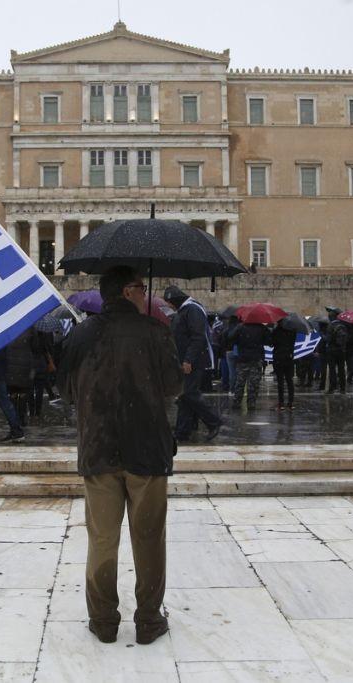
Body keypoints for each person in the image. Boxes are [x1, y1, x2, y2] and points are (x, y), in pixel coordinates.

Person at [57, 266, 183, 646]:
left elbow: (65, 389)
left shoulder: (81, 334)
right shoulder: (155, 332)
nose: (146, 294)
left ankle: (103, 620)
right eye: (142, 288)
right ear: (127, 291)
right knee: (148, 540)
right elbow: (174, 386)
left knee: (101, 539)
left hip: (98, 448)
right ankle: (148, 620)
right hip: (147, 449)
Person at [163, 286, 221, 442]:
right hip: (184, 361)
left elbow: (198, 337)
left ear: (174, 300)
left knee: (189, 393)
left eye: (169, 302)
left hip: (193, 361)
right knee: (184, 396)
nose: (169, 306)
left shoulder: (192, 310)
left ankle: (213, 421)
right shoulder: (183, 311)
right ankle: (183, 432)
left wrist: (188, 360)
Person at [226, 319, 268, 412]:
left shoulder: (240, 327)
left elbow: (230, 337)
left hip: (243, 359)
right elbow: (269, 340)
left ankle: (237, 402)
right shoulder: (262, 328)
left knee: (240, 382)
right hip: (256, 359)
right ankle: (251, 403)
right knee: (253, 383)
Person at [270, 322, 295, 411]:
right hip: (289, 357)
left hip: (278, 358)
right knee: (289, 380)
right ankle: (290, 403)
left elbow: (271, 343)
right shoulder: (292, 331)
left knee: (280, 381)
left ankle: (281, 403)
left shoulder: (276, 331)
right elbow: (292, 343)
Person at [324, 307, 348, 394]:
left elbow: (328, 339)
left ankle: (332, 387)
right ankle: (342, 388)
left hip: (332, 351)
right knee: (341, 369)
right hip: (341, 350)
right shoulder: (343, 325)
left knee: (332, 370)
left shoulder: (330, 326)